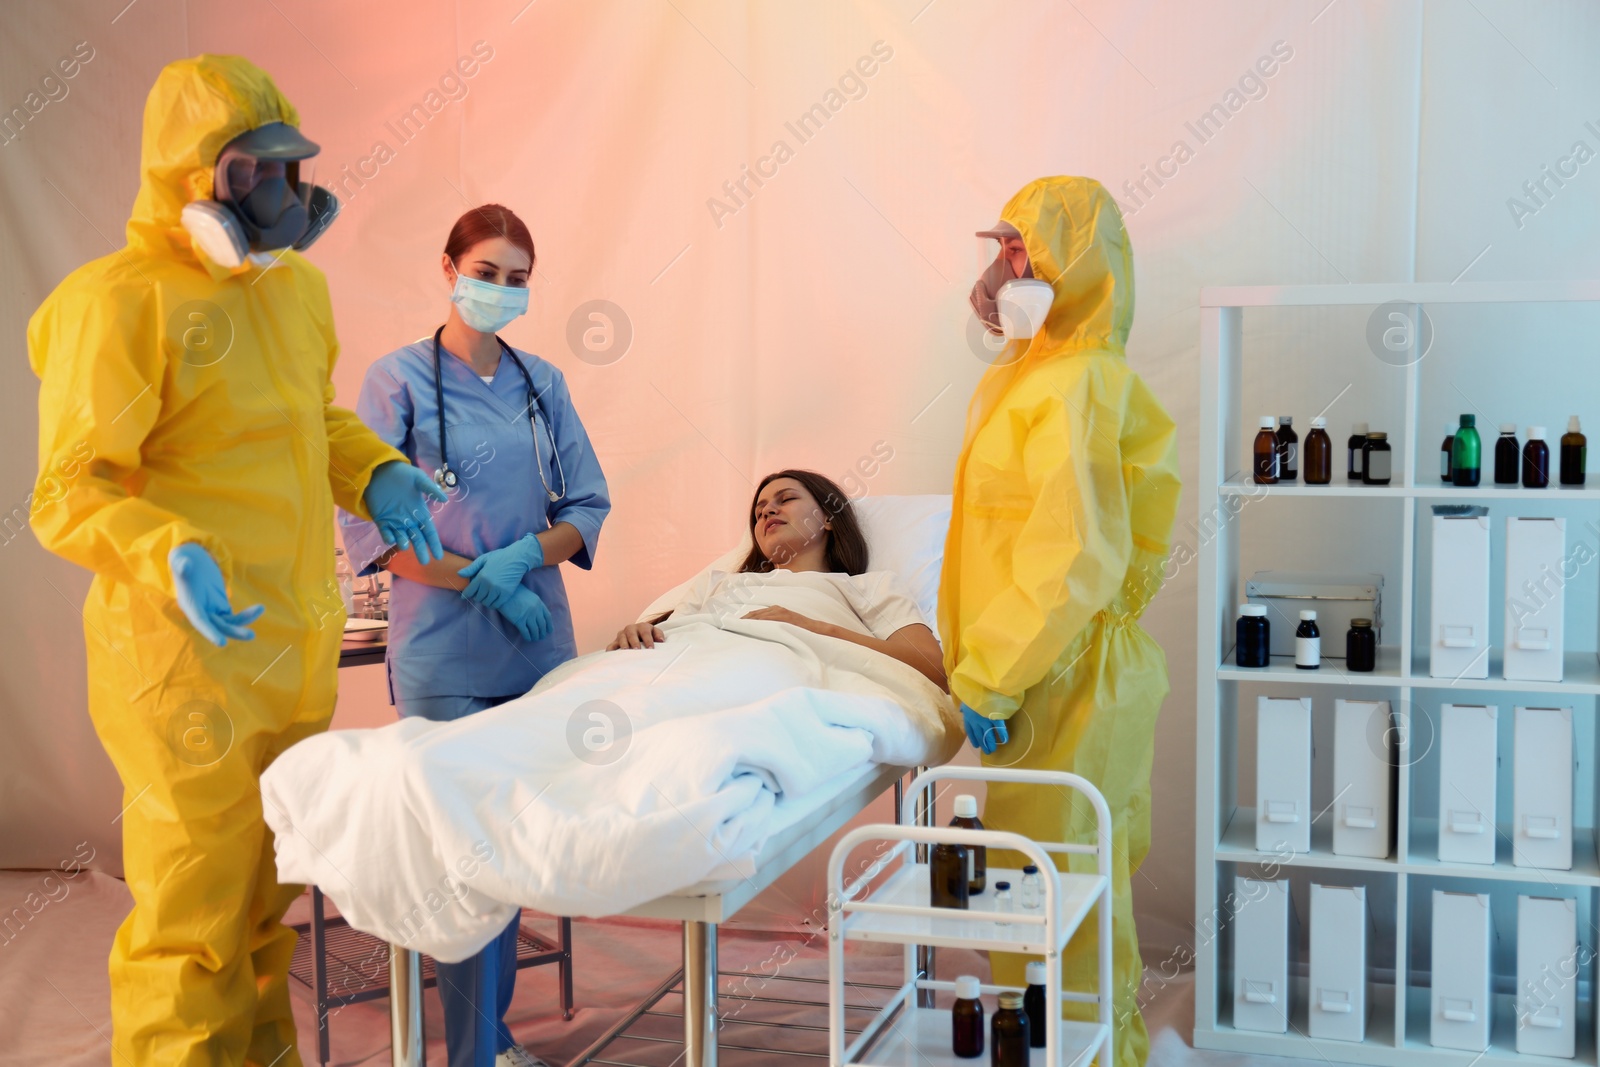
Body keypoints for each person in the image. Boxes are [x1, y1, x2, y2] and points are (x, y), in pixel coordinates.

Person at [27, 55, 447, 1067]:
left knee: (270, 902)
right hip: (183, 663)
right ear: (189, 175)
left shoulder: (293, 289)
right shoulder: (117, 300)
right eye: (250, 173)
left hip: (289, 651)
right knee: (194, 910)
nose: (280, 195)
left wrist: (375, 470)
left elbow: (311, 420)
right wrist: (165, 549)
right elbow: (69, 488)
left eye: (289, 170)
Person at [338, 203, 609, 1067]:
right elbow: (379, 533)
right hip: (444, 651)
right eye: (486, 272)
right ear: (448, 267)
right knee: (460, 860)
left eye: (517, 278)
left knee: (515, 853)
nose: (500, 289)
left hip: (534, 647)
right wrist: (485, 582)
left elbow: (589, 506)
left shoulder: (543, 385)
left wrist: (527, 554)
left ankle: (488, 1037)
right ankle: (467, 1055)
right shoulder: (395, 382)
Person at [938, 176, 1181, 1067]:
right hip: (1062, 676)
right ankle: (1062, 1049)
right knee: (1056, 884)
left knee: (1061, 894)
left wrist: (994, 669)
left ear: (1060, 266)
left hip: (1058, 677)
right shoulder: (1041, 375)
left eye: (1017, 250)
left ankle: (1087, 1055)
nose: (997, 270)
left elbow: (1074, 553)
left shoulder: (1075, 383)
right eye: (998, 249)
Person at [610, 470, 946, 691]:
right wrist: (640, 634)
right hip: (687, 675)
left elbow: (935, 670)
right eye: (760, 512)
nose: (768, 511)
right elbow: (673, 644)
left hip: (772, 678)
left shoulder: (868, 587)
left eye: (785, 500)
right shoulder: (716, 584)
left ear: (828, 519)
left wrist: (814, 627)